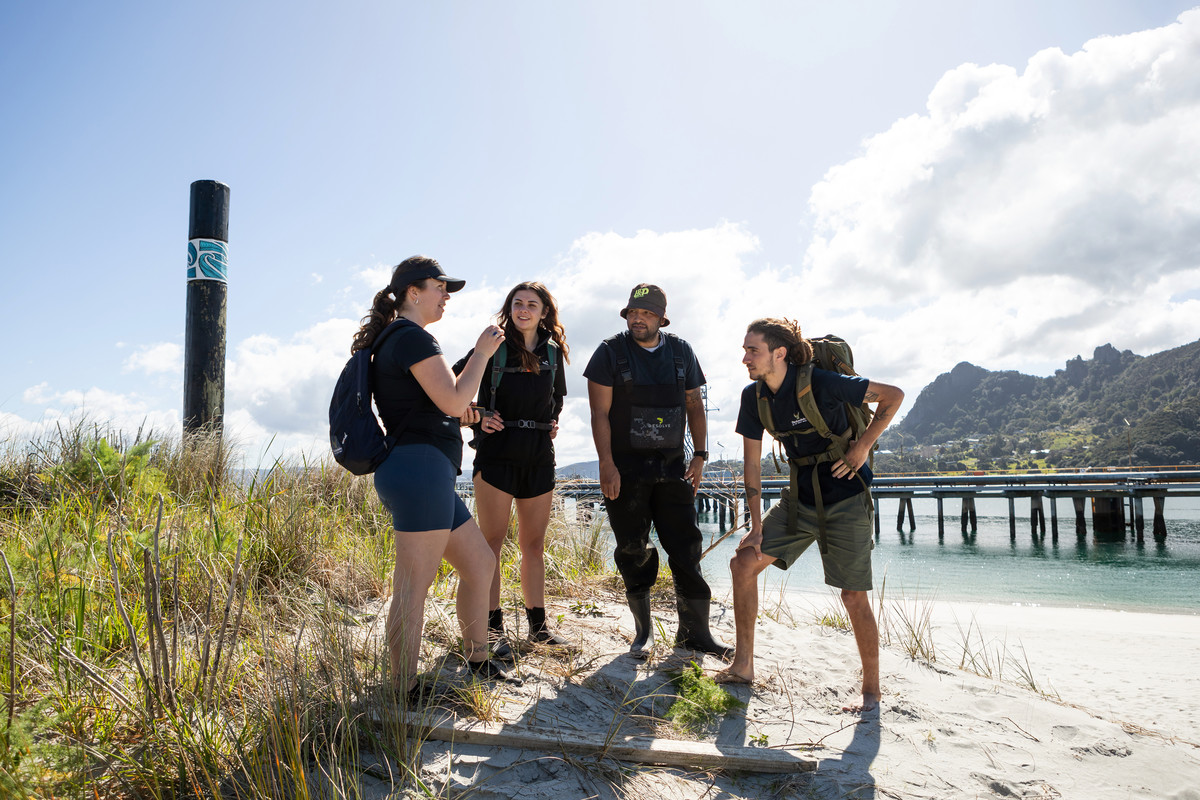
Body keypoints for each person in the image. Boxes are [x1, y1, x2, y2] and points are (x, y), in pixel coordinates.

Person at [719, 318, 903, 713]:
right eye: (745, 350)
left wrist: (862, 448)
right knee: (743, 563)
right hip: (799, 500)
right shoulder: (753, 398)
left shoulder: (821, 382)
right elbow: (751, 466)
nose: (745, 358)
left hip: (847, 499)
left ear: (779, 353)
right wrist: (755, 527)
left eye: (752, 350)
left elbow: (893, 396)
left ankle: (871, 692)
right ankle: (743, 666)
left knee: (853, 596)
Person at [355, 255, 520, 697]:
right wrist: (482, 353)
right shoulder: (411, 337)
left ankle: (478, 659)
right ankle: (404, 688)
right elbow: (452, 400)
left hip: (425, 470)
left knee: (480, 563)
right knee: (412, 588)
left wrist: (467, 415)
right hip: (420, 471)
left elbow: (437, 407)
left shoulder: (402, 338)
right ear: (413, 292)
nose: (446, 296)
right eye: (440, 287)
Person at [584, 284, 731, 659]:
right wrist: (606, 464)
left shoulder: (681, 352)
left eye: (646, 313)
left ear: (661, 318)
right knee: (633, 548)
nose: (637, 319)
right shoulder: (609, 352)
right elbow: (599, 414)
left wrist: (700, 455)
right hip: (626, 471)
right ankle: (644, 634)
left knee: (687, 547)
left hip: (673, 468)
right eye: (633, 312)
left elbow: (694, 405)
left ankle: (695, 634)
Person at [453, 282, 571, 658]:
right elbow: (451, 389)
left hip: (539, 457)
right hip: (497, 456)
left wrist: (551, 422)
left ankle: (539, 629)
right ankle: (492, 629)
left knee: (533, 546)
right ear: (509, 308)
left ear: (544, 312)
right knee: (491, 544)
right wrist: (478, 417)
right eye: (517, 303)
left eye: (532, 305)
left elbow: (557, 400)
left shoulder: (553, 351)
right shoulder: (494, 343)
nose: (523, 309)